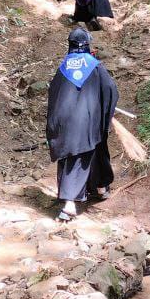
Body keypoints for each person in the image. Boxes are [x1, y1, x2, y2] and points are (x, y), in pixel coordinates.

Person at [46, 28, 118, 222]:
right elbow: (110, 90)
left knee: (80, 153)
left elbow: (53, 96)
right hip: (87, 122)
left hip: (64, 123)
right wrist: (105, 111)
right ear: (87, 45)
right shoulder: (95, 66)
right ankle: (69, 205)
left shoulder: (62, 68)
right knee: (90, 150)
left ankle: (101, 187)